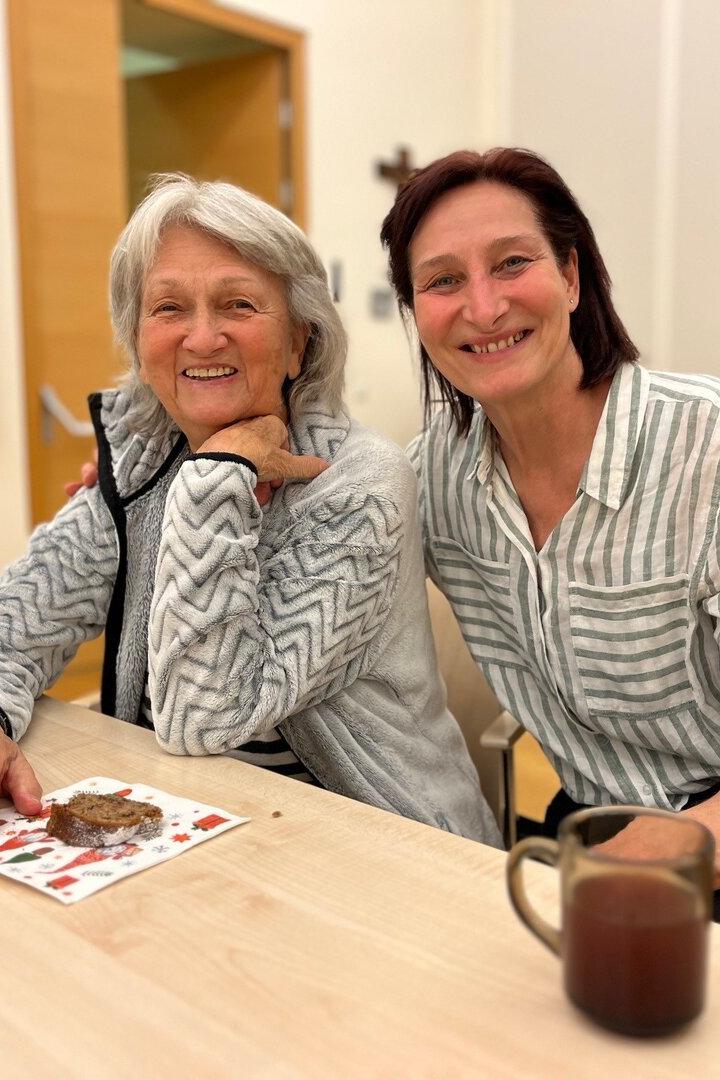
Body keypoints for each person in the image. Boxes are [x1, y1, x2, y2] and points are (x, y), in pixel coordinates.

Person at [0, 174, 501, 847]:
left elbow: (205, 718)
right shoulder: (144, 467)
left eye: (237, 304)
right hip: (184, 825)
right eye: (169, 308)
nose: (202, 338)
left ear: (299, 341)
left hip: (373, 848)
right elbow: (17, 622)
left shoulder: (358, 485)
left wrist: (215, 476)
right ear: (139, 342)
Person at [380, 147, 720, 880]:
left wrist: (689, 842)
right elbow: (319, 516)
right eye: (443, 281)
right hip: (592, 843)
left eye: (511, 263)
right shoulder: (429, 477)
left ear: (570, 277)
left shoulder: (708, 451)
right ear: (417, 314)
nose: (483, 306)